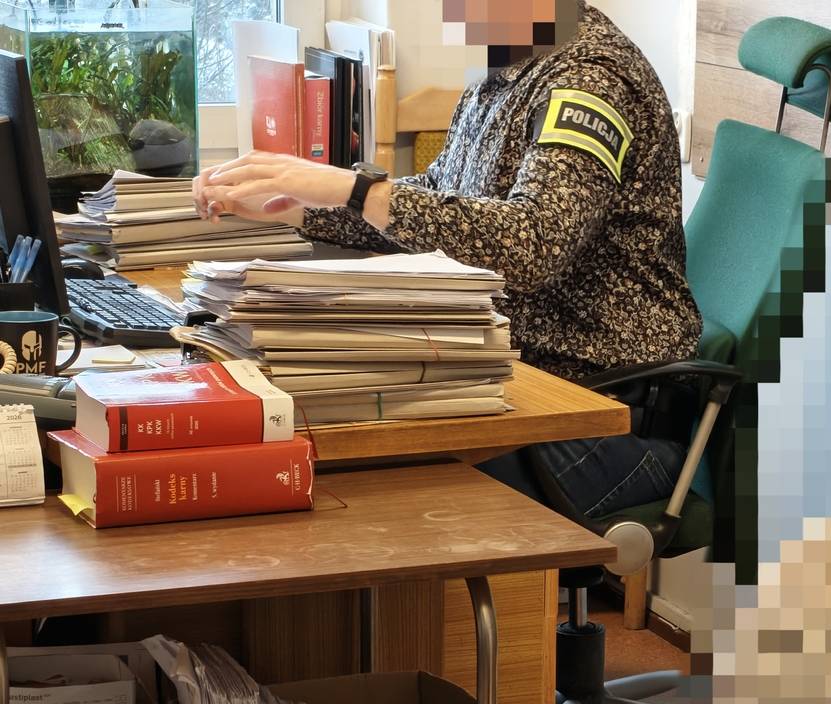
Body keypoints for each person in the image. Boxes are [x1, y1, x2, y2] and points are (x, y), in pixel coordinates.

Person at [194, 0, 701, 520]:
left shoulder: (591, 78)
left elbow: (534, 244)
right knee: (287, 425)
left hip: (593, 410)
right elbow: (441, 202)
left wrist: (355, 188)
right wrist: (299, 206)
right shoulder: (506, 66)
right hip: (506, 377)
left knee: (344, 480)